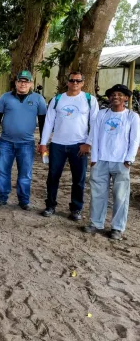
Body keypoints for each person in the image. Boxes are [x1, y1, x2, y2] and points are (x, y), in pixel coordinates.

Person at [39, 72, 99, 221]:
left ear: (83, 82)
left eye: (78, 80)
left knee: (78, 179)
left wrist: (88, 143)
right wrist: (43, 143)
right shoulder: (58, 99)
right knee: (53, 176)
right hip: (58, 144)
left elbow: (95, 123)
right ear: (67, 82)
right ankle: (50, 205)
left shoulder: (89, 100)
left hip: (79, 145)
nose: (75, 83)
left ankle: (76, 209)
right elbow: (48, 122)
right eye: (72, 80)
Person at [84, 84, 139, 240]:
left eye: (120, 95)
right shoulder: (102, 114)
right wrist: (93, 159)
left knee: (121, 196)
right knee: (97, 194)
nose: (116, 97)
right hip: (101, 160)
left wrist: (129, 160)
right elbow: (95, 135)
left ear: (126, 98)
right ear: (109, 98)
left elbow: (134, 140)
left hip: (121, 162)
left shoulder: (132, 117)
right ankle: (96, 223)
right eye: (113, 94)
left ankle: (117, 227)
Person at [0, 70, 47, 210]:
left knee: (25, 173)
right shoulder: (5, 97)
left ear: (31, 84)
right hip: (5, 142)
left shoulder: (38, 99)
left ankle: (23, 200)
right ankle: (2, 197)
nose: (23, 84)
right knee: (2, 171)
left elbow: (43, 121)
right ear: (16, 83)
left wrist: (42, 142)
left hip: (26, 143)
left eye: (26, 81)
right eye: (20, 81)